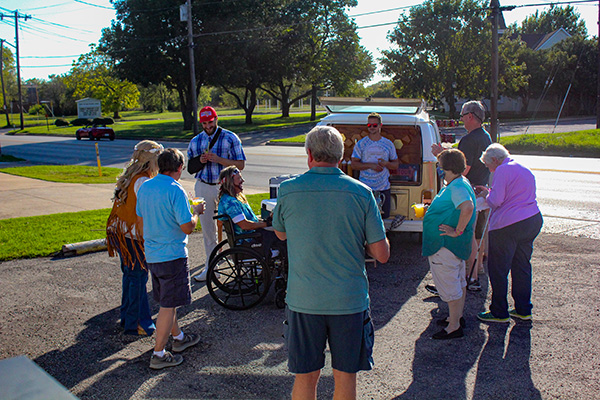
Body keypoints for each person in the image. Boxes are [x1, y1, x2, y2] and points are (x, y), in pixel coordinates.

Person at [272, 125, 390, 400]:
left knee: (306, 376)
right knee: (345, 376)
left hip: (304, 300)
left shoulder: (288, 190)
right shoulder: (362, 193)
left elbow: (280, 232)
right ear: (341, 155)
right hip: (348, 300)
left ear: (310, 155)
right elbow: (381, 254)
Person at [136, 148, 204, 370]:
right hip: (172, 254)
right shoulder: (176, 190)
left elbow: (139, 221)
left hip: (153, 253)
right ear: (179, 168)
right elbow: (186, 227)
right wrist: (197, 213)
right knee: (168, 305)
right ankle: (158, 353)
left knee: (167, 301)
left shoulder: (146, 186)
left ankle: (180, 338)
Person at [475, 143, 543, 323]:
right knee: (522, 266)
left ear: (495, 160)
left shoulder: (502, 171)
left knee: (498, 268)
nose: (489, 169)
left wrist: (486, 196)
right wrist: (490, 192)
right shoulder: (522, 167)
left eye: (489, 166)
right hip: (532, 219)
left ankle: (499, 311)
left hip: (508, 225)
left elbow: (496, 200)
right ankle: (523, 308)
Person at [432, 100, 492, 291]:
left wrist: (442, 154)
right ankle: (477, 271)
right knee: (477, 236)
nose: (461, 120)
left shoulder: (469, 140)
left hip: (467, 194)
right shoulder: (486, 136)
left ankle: (467, 278)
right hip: (482, 193)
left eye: (462, 115)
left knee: (463, 235)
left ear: (470, 117)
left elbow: (462, 170)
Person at [106, 140, 163, 336]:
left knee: (130, 277)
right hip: (134, 237)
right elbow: (146, 211)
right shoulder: (143, 181)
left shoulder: (131, 176)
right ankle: (138, 322)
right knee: (138, 278)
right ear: (151, 160)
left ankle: (127, 318)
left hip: (123, 233)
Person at [187, 106, 246, 282]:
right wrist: (201, 160)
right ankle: (211, 267)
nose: (208, 126)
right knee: (208, 230)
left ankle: (241, 263)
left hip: (225, 188)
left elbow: (240, 164)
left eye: (210, 122)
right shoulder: (196, 141)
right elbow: (190, 168)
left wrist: (220, 160)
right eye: (204, 123)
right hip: (203, 185)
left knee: (235, 225)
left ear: (216, 119)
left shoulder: (230, 137)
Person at [422, 149, 476, 340]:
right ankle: (456, 318)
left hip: (445, 245)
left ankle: (453, 327)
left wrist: (457, 230)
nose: (439, 169)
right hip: (454, 246)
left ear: (446, 168)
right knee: (459, 283)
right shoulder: (460, 182)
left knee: (450, 287)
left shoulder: (456, 187)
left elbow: (467, 207)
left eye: (440, 166)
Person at [216, 165, 285, 260]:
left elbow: (249, 220)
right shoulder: (230, 203)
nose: (243, 180)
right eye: (239, 178)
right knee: (283, 236)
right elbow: (245, 225)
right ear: (230, 182)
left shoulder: (235, 198)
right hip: (249, 240)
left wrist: (265, 220)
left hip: (252, 235)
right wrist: (266, 223)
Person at [351, 112, 399, 219]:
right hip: (365, 188)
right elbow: (354, 164)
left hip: (383, 188)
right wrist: (371, 166)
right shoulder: (361, 144)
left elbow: (395, 165)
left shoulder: (388, 144)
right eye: (369, 125)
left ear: (380, 125)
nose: (372, 128)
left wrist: (386, 164)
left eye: (374, 125)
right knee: (365, 218)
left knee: (383, 218)